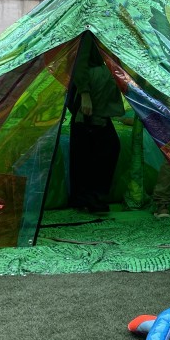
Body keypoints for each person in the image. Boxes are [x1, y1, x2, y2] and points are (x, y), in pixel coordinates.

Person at [68, 40, 124, 212]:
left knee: (99, 147)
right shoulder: (88, 35)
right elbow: (79, 63)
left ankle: (86, 197)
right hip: (89, 98)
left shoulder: (103, 36)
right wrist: (85, 94)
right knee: (93, 149)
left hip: (97, 100)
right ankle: (88, 197)